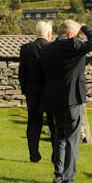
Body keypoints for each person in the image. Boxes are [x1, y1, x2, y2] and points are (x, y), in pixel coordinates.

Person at [38, 19, 92, 183]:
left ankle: (58, 175)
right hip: (72, 99)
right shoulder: (74, 45)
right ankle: (68, 180)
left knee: (59, 137)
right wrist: (85, 27)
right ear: (72, 33)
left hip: (53, 99)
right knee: (72, 139)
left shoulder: (48, 48)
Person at [18, 20, 53, 163]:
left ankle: (34, 154)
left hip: (32, 92)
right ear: (49, 34)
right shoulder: (53, 48)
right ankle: (55, 155)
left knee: (33, 123)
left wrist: (25, 89)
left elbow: (22, 72)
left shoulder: (25, 48)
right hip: (50, 92)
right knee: (53, 123)